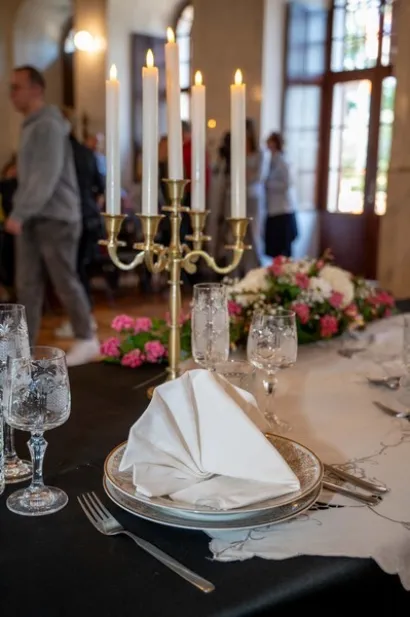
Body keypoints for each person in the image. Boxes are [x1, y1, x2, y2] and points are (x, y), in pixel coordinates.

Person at [6, 65, 99, 365]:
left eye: (16, 87)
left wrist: (20, 212)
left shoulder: (48, 124)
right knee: (27, 286)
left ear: (36, 89)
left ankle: (87, 338)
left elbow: (46, 175)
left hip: (56, 216)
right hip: (35, 215)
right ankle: (23, 351)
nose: (11, 94)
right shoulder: (32, 124)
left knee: (63, 280)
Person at [54, 109, 105, 339]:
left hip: (70, 218)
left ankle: (81, 321)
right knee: (79, 270)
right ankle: (83, 319)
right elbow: (100, 189)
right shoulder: (87, 152)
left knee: (72, 272)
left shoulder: (60, 152)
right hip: (91, 217)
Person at [264, 132, 298, 258]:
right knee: (275, 249)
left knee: (283, 249)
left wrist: (268, 184)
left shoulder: (282, 161)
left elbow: (287, 183)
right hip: (273, 209)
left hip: (282, 210)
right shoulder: (271, 160)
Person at [243, 118, 267, 271]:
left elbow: (259, 176)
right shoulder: (238, 152)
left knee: (255, 234)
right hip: (240, 197)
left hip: (255, 197)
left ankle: (257, 267)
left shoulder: (260, 153)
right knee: (240, 234)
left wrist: (246, 174)